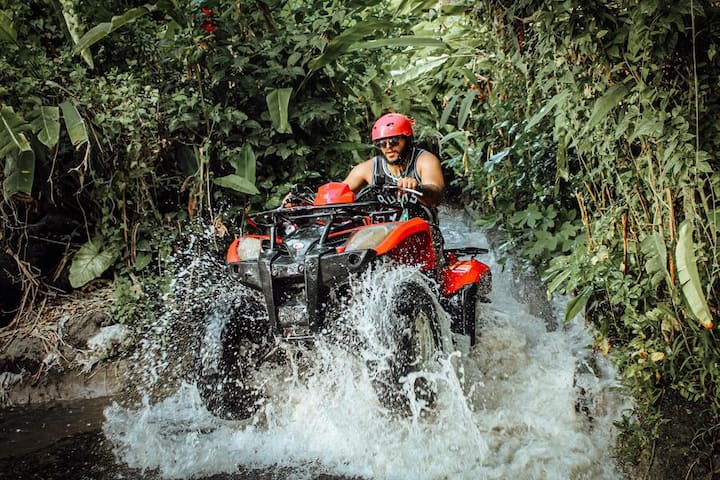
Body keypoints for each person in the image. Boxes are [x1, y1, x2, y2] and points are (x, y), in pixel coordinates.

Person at [342, 112, 445, 223]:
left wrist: (418, 189)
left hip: (421, 227)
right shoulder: (367, 169)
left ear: (407, 140)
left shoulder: (426, 160)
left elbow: (436, 197)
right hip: (384, 230)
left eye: (394, 141)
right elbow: (340, 192)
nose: (388, 147)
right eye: (382, 143)